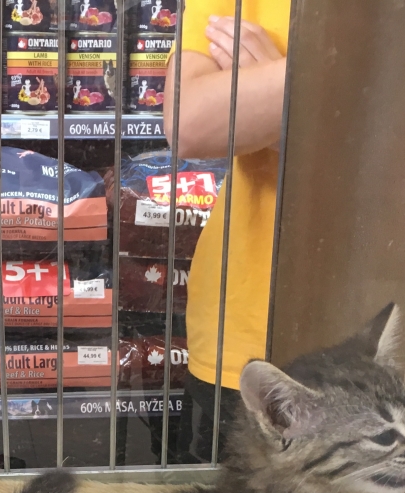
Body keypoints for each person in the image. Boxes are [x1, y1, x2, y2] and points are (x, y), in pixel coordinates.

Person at [166, 1, 289, 462]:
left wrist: (272, 101)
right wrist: (330, 94)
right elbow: (191, 121)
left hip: (395, 318)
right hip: (244, 331)